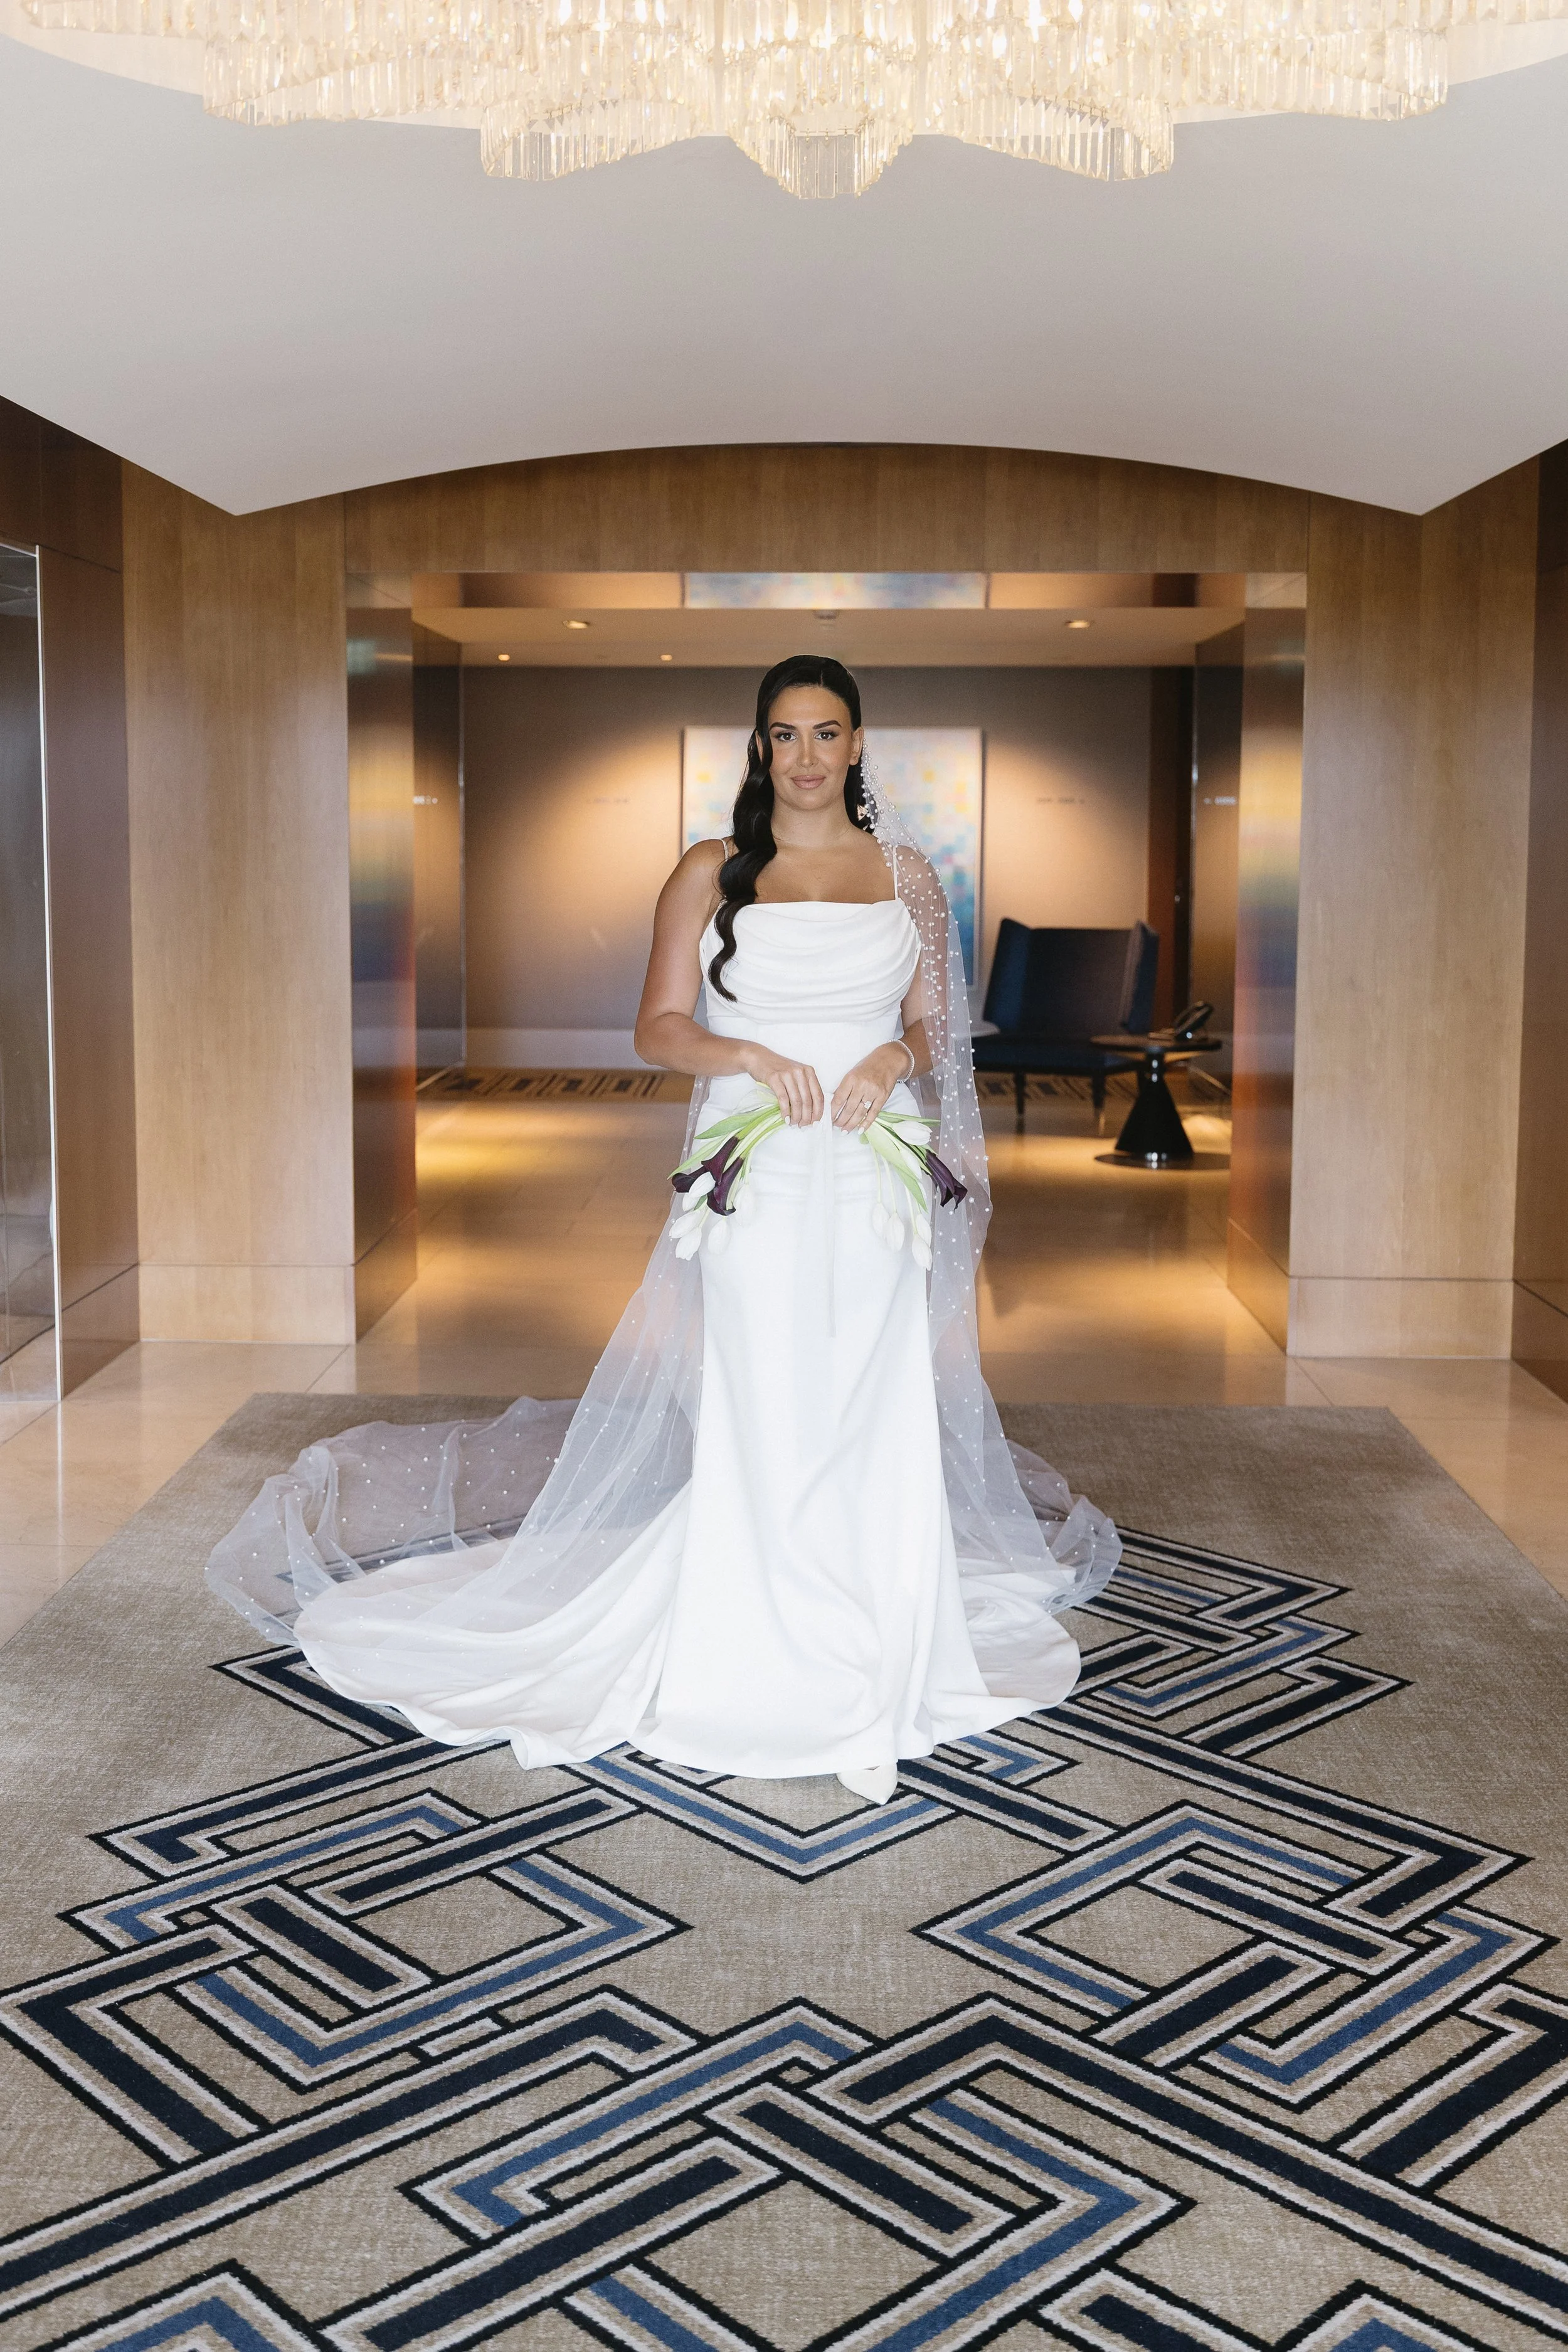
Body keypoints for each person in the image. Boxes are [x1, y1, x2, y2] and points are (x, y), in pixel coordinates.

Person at [206, 655, 1120, 1806]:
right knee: (767, 1390)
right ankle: (753, 1639)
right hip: (759, 1169)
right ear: (759, 747)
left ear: (856, 744)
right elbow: (657, 1027)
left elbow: (939, 1026)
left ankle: (879, 1620)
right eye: (782, 735)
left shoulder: (910, 876)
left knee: (871, 1386)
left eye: (825, 733)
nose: (803, 756)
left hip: (871, 1166)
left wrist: (893, 1052)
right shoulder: (709, 870)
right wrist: (747, 1053)